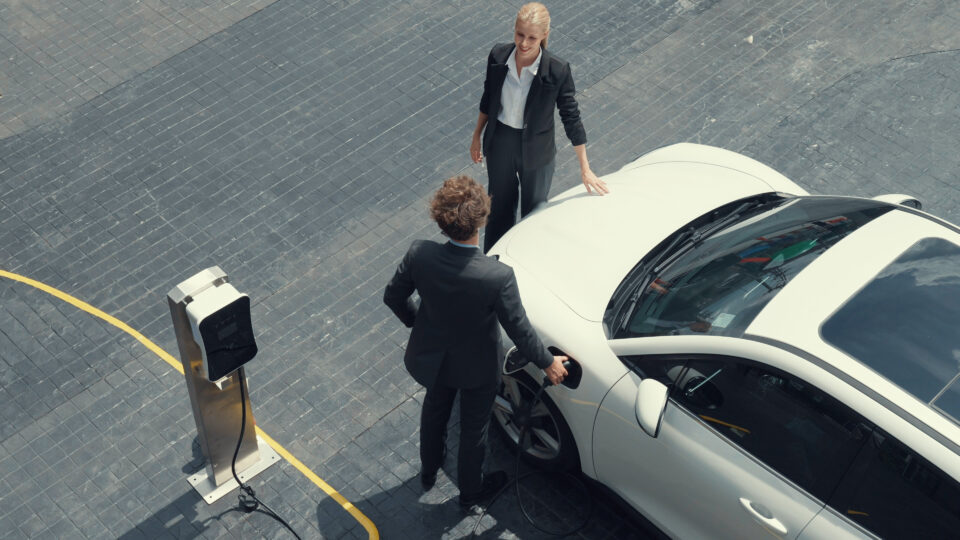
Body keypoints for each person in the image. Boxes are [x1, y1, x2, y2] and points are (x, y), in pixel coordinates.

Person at [384, 175, 568, 508]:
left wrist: (417, 322)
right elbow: (520, 329)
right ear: (480, 221)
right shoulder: (497, 276)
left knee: (434, 410)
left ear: (441, 220)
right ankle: (471, 492)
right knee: (473, 431)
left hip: (434, 359)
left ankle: (428, 470)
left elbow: (393, 296)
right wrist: (548, 362)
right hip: (477, 369)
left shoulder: (420, 253)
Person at [470, 2, 609, 253]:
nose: (524, 43)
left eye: (532, 37)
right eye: (520, 34)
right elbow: (488, 97)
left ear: (545, 35)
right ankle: (494, 263)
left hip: (537, 150)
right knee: (498, 209)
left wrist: (585, 168)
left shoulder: (557, 69)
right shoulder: (498, 56)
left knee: (534, 214)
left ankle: (526, 259)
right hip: (500, 141)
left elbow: (571, 117)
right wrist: (476, 136)